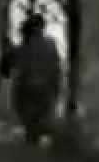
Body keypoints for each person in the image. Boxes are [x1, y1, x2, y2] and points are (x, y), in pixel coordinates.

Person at [5, 12, 62, 146]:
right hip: (43, 89)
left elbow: (9, 64)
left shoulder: (24, 46)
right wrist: (56, 87)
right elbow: (56, 68)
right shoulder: (49, 45)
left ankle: (33, 140)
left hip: (28, 89)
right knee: (40, 118)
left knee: (31, 120)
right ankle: (38, 139)